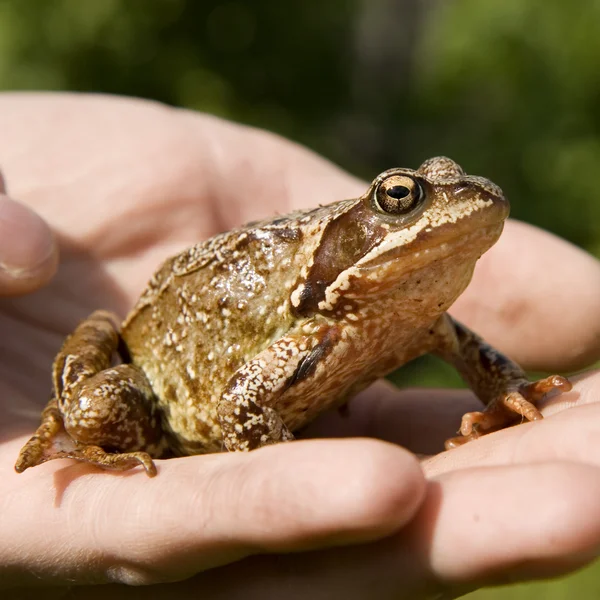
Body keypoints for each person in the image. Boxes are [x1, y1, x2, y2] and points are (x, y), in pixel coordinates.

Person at [2, 93, 600, 600]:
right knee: (97, 411)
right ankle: (65, 421)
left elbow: (462, 345)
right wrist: (290, 471)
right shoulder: (318, 326)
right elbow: (240, 404)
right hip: (156, 387)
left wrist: (510, 389)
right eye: (401, 199)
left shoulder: (409, 312)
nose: (462, 196)